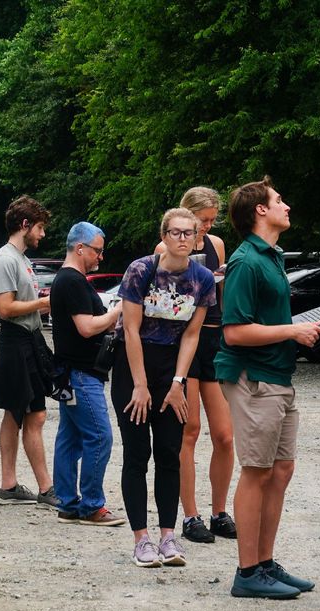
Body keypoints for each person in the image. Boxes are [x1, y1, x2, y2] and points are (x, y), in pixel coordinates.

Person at [216, 176, 320, 599]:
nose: (287, 206)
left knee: (281, 470)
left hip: (278, 376)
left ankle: (264, 562)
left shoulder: (272, 256)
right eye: (279, 200)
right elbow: (235, 333)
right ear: (259, 210)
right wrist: (291, 332)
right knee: (257, 471)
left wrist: (297, 331)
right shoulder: (246, 262)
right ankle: (247, 572)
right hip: (254, 378)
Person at [113, 209, 216, 566]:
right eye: (176, 233)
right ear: (165, 236)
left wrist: (178, 383)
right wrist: (140, 385)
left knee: (170, 452)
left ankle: (169, 537)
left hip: (173, 368)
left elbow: (192, 334)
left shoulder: (202, 278)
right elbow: (130, 329)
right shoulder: (142, 270)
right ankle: (141, 539)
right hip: (134, 364)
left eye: (190, 233)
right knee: (137, 453)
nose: (183, 239)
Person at [154, 187, 237, 543]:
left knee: (224, 434)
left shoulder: (216, 244)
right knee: (189, 430)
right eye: (202, 220)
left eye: (211, 221)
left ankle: (220, 511)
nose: (207, 226)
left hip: (215, 339)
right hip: (185, 338)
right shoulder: (165, 249)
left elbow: (222, 293)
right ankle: (190, 515)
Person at [50, 221, 126, 526]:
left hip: (68, 372)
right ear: (80, 248)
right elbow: (86, 327)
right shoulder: (72, 281)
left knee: (69, 438)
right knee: (99, 436)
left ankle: (68, 503)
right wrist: (116, 312)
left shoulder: (66, 280)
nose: (100, 257)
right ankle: (92, 505)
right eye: (97, 250)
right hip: (81, 373)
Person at [0, 195, 57, 506]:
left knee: (21, 414)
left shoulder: (22, 259)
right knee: (29, 414)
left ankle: (12, 484)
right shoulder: (5, 259)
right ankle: (43, 488)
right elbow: (4, 308)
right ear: (25, 225)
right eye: (39, 227)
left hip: (28, 340)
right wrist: (43, 303)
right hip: (15, 340)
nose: (42, 234)